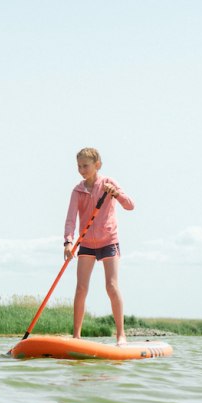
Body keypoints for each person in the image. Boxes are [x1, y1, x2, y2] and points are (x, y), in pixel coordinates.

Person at [63, 147, 135, 343]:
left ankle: (121, 334)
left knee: (111, 286)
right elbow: (70, 219)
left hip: (108, 240)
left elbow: (130, 205)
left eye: (85, 166)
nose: (82, 169)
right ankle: (76, 335)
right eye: (79, 166)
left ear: (97, 165)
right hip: (85, 242)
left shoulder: (108, 183)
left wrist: (116, 193)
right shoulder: (77, 191)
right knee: (81, 289)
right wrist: (68, 242)